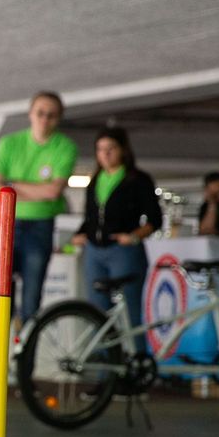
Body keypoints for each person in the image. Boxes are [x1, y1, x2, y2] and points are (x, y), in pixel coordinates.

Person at [0, 91, 78, 395]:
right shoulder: (10, 143)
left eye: (51, 114)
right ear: (30, 113)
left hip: (40, 228)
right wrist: (31, 189)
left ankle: (24, 377)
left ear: (58, 118)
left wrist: (11, 185)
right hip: (4, 226)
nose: (44, 119)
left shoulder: (65, 147)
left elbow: (52, 192)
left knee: (31, 307)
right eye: (40, 112)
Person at [70, 127, 161, 348]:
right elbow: (91, 216)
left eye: (111, 148)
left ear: (123, 150)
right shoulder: (95, 180)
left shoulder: (137, 180)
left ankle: (137, 360)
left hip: (123, 251)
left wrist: (133, 236)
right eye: (100, 149)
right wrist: (81, 234)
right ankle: (107, 370)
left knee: (131, 309)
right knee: (98, 311)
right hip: (95, 250)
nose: (105, 154)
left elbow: (154, 218)